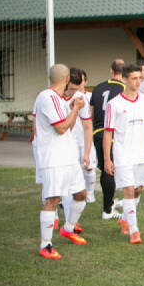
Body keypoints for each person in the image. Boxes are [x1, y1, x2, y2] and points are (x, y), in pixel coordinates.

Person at [103, 63, 144, 244]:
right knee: (129, 190)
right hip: (123, 154)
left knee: (138, 189)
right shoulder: (114, 104)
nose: (138, 82)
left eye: (140, 78)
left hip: (141, 153)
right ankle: (134, 230)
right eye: (134, 78)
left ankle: (125, 218)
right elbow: (108, 133)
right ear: (124, 79)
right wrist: (107, 159)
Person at [33, 63, 89, 258]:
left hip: (69, 157)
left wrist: (73, 109)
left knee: (81, 193)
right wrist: (76, 109)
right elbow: (61, 128)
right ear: (66, 79)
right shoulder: (47, 97)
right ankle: (45, 244)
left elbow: (69, 126)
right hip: (54, 159)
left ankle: (69, 228)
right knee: (53, 199)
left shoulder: (59, 99)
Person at [90, 59, 126, 219]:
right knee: (110, 169)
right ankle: (107, 209)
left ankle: (109, 203)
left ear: (111, 71)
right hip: (113, 133)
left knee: (106, 168)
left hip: (98, 132)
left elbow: (91, 113)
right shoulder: (124, 89)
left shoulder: (98, 88)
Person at [66, 68, 96, 206]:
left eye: (77, 88)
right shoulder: (53, 97)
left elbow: (88, 126)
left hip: (82, 139)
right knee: (68, 171)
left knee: (89, 166)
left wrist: (87, 152)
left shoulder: (84, 97)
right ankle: (65, 197)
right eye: (72, 89)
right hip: (65, 141)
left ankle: (90, 193)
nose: (75, 92)